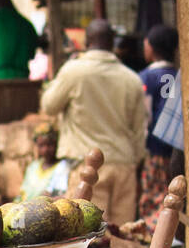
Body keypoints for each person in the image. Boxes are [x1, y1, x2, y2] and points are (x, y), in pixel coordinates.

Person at [41, 17, 147, 225]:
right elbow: (139, 129)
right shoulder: (132, 79)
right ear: (113, 43)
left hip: (87, 166)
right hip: (123, 163)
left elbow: (49, 106)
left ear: (86, 41)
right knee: (123, 235)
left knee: (88, 237)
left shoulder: (74, 71)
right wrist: (135, 162)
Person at [138, 24, 179, 230]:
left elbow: (144, 115)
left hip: (155, 146)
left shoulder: (146, 77)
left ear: (151, 48)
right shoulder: (180, 73)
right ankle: (175, 230)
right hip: (178, 147)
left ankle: (155, 230)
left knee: (154, 190)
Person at [18, 122, 70, 201]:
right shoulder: (33, 166)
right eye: (41, 145)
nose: (45, 150)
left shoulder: (62, 167)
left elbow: (59, 195)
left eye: (49, 145)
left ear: (56, 144)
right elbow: (22, 193)